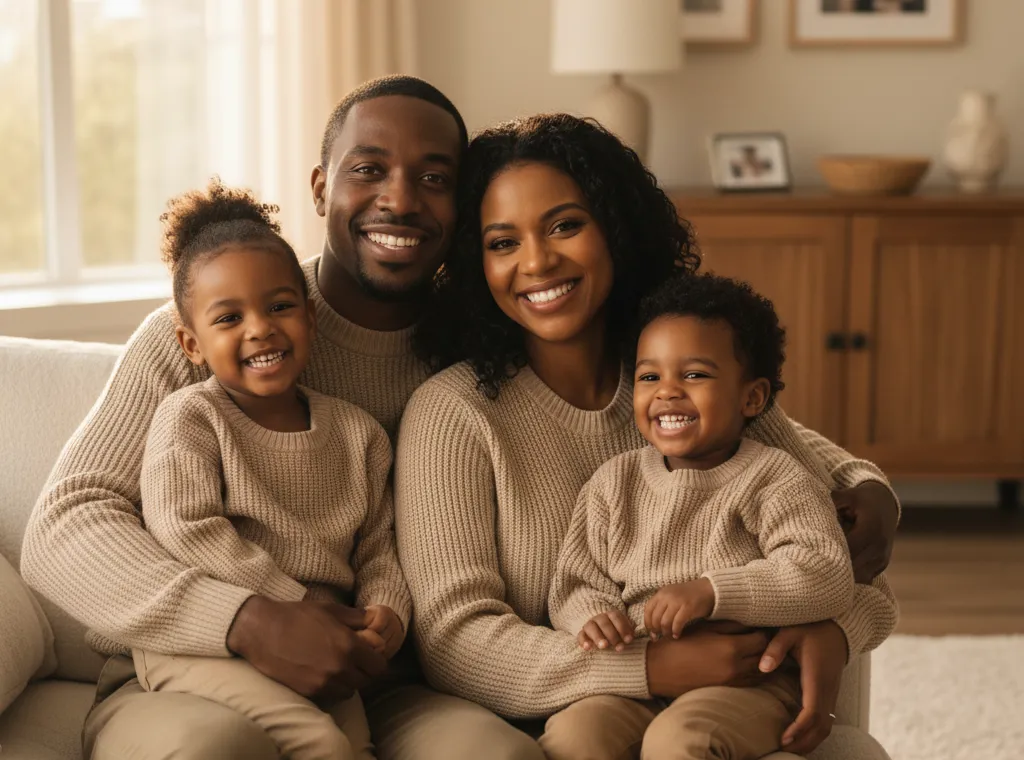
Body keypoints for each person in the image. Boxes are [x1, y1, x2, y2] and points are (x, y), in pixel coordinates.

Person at [22, 76, 545, 760]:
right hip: (192, 677)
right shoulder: (204, 336)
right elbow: (63, 528)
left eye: (435, 178)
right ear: (322, 187)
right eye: (368, 170)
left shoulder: (485, 354)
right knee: (217, 749)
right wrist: (251, 619)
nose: (400, 199)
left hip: (387, 686)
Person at [396, 112, 900, 759]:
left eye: (565, 225)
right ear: (475, 262)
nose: (537, 261)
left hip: (736, 701)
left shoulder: (692, 380)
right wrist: (651, 667)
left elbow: (848, 563)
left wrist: (834, 630)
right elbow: (455, 641)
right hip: (567, 710)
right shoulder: (453, 414)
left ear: (616, 230)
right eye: (502, 242)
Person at [548, 272, 898, 759]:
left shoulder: (774, 477)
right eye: (650, 377)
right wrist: (591, 616)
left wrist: (713, 591)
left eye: (693, 375)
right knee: (574, 736)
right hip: (642, 679)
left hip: (754, 683)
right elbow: (576, 579)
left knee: (680, 742)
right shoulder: (613, 482)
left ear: (751, 397)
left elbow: (825, 572)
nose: (667, 392)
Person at [130, 179, 411, 759]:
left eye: (279, 307)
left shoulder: (357, 434)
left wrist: (386, 615)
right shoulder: (192, 417)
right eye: (228, 318)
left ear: (309, 317)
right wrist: (294, 606)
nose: (259, 328)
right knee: (319, 745)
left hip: (327, 640)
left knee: (355, 746)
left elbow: (379, 550)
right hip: (202, 640)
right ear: (191, 344)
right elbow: (186, 530)